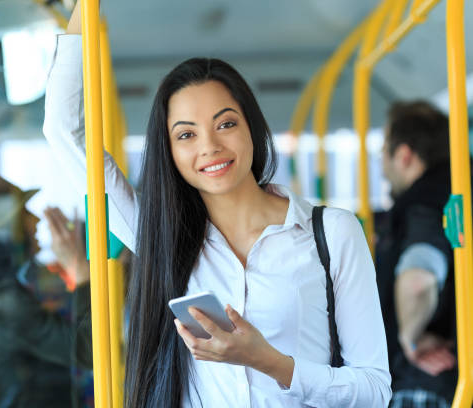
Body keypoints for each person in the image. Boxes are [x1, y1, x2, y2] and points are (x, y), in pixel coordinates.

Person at [43, 2, 391, 406]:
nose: (210, 147)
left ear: (252, 128)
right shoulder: (163, 238)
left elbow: (374, 391)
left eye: (226, 124)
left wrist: (271, 363)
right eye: (186, 135)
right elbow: (64, 130)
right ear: (169, 152)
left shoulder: (332, 233)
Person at [0, 170, 93, 407]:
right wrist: (81, 272)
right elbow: (88, 350)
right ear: (8, 228)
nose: (36, 221)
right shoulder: (5, 301)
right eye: (24, 213)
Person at [375, 101, 457, 408]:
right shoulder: (460, 187)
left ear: (404, 155)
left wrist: (410, 339)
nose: (382, 163)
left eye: (385, 150)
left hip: (431, 378)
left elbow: (418, 282)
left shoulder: (423, 203)